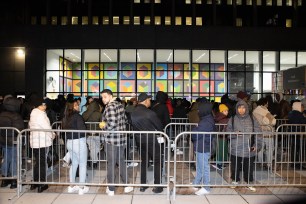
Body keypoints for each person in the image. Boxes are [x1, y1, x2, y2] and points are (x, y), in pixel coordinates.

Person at [100, 89, 133, 196]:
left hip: (112, 140)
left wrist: (104, 127)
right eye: (102, 97)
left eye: (105, 97)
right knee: (121, 161)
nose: (103, 99)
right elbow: (124, 120)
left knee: (111, 163)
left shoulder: (110, 106)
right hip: (122, 138)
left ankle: (111, 188)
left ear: (110, 96)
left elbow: (112, 123)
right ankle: (127, 184)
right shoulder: (119, 105)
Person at [130, 93, 164, 194]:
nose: (150, 101)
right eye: (149, 100)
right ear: (145, 100)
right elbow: (159, 127)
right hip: (151, 141)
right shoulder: (150, 113)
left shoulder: (133, 113)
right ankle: (158, 186)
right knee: (157, 162)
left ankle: (143, 185)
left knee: (144, 161)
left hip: (139, 141)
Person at [226, 99, 263, 192]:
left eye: (243, 108)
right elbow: (227, 132)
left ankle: (249, 181)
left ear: (246, 108)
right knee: (235, 165)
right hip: (236, 147)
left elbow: (258, 132)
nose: (241, 110)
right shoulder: (233, 119)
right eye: (239, 108)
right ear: (236, 109)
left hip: (248, 147)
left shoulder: (252, 118)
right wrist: (234, 133)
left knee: (249, 166)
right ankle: (235, 180)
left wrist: (257, 145)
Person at [62, 100, 89, 195]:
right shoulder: (78, 116)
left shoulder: (66, 118)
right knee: (82, 164)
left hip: (69, 142)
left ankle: (71, 186)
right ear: (72, 107)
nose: (78, 106)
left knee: (74, 164)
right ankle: (81, 187)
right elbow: (82, 130)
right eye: (76, 105)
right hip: (79, 142)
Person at [28, 98, 55, 193]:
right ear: (40, 105)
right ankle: (41, 184)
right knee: (42, 163)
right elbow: (47, 128)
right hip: (42, 141)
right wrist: (53, 135)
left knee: (38, 162)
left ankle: (35, 182)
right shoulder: (41, 115)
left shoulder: (33, 114)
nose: (45, 106)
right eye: (44, 104)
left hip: (35, 142)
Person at [191, 102, 215, 195]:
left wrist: (195, 129)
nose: (198, 111)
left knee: (204, 167)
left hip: (203, 147)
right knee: (200, 166)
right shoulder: (206, 119)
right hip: (202, 146)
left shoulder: (206, 121)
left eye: (199, 109)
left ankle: (206, 187)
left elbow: (194, 134)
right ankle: (196, 182)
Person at [0, 96, 24, 189]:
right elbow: (19, 129)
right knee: (14, 159)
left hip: (4, 141)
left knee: (6, 159)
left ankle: (5, 179)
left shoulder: (2, 114)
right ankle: (14, 179)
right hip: (14, 141)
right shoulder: (16, 116)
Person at [252, 97, 276, 170]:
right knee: (269, 148)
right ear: (264, 103)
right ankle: (269, 164)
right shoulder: (265, 111)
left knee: (260, 148)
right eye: (267, 103)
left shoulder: (254, 111)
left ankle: (261, 163)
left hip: (258, 132)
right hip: (267, 132)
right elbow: (273, 122)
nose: (268, 105)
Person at [82, 100, 102, 169]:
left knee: (92, 148)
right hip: (97, 134)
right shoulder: (99, 114)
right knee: (96, 148)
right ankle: (94, 162)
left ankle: (91, 160)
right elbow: (102, 124)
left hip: (88, 134)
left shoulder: (84, 113)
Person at [288, 101, 306, 169]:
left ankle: (294, 163)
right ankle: (297, 164)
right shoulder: (299, 114)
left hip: (293, 133)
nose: (303, 108)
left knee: (294, 148)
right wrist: (304, 116)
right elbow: (303, 121)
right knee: (298, 149)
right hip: (298, 133)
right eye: (302, 106)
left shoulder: (291, 113)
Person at [213, 103, 230, 170]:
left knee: (219, 150)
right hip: (223, 136)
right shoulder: (224, 119)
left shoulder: (217, 117)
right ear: (221, 111)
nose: (227, 112)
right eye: (225, 111)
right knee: (221, 151)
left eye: (227, 111)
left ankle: (219, 163)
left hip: (218, 136)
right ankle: (219, 164)